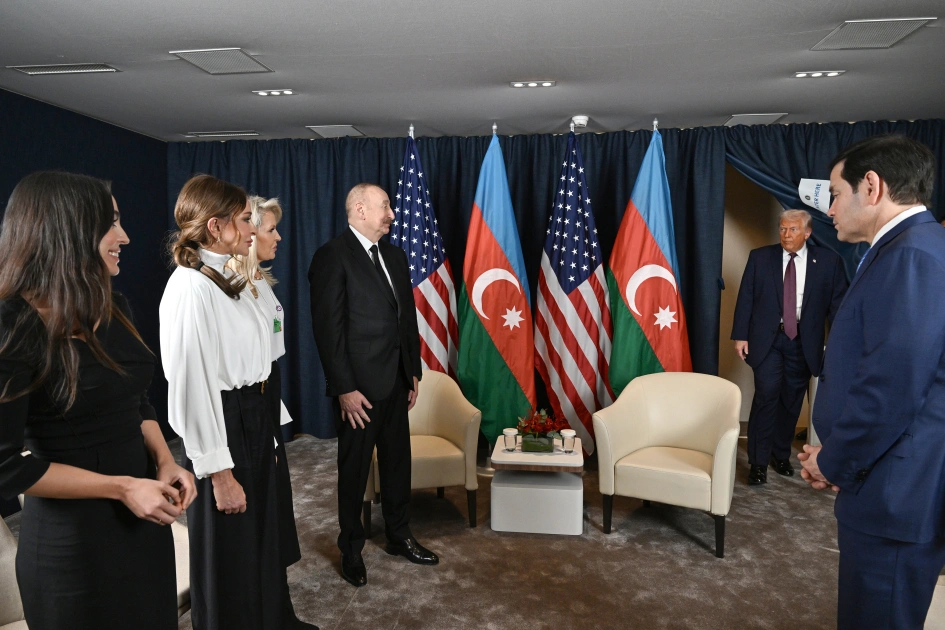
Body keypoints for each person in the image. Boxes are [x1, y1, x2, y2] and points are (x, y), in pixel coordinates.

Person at [0, 171, 196, 630]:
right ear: (66, 230)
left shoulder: (112, 305)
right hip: (72, 550)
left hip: (143, 527)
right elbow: (5, 466)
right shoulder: (13, 326)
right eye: (110, 224)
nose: (123, 237)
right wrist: (123, 487)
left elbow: (135, 400)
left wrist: (164, 461)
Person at [798, 134, 945, 629]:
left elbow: (891, 388)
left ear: (872, 186)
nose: (829, 210)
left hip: (896, 490)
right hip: (885, 476)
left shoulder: (912, 255)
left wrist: (834, 460)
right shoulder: (909, 248)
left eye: (835, 194)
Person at [160, 175, 311, 630]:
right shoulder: (190, 287)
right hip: (224, 423)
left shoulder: (227, 275)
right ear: (215, 226)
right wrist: (219, 474)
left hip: (253, 415)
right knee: (229, 550)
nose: (252, 228)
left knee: (260, 536)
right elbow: (192, 388)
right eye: (246, 219)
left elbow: (262, 352)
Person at [308, 182, 437, 588]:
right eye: (385, 207)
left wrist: (412, 370)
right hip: (358, 391)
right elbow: (328, 331)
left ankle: (399, 535)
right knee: (355, 470)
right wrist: (344, 388)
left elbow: (406, 319)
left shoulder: (395, 256)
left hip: (396, 381)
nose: (392, 215)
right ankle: (351, 549)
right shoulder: (332, 256)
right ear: (360, 210)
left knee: (398, 464)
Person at [227, 196, 314, 628]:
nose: (278, 236)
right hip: (246, 406)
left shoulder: (260, 280)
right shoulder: (228, 285)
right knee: (255, 516)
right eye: (270, 229)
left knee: (274, 511)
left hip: (267, 396)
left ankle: (279, 611)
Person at [731, 209, 848, 485]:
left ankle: (780, 454)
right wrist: (740, 336)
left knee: (791, 401)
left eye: (793, 229)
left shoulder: (829, 261)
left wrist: (838, 345)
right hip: (768, 341)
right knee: (766, 396)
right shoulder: (760, 257)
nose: (786, 235)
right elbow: (746, 297)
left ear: (807, 232)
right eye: (782, 229)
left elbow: (839, 308)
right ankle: (758, 463)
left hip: (804, 342)